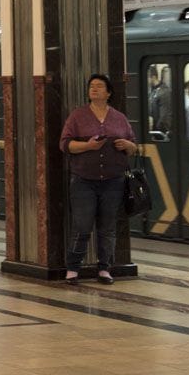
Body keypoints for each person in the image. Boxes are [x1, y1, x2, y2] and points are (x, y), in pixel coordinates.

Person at [60, 74, 138, 286]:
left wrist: (127, 145)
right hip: (83, 180)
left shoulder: (119, 118)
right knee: (82, 226)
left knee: (107, 227)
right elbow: (65, 144)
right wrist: (88, 146)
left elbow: (133, 145)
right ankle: (73, 269)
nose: (94, 89)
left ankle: (105, 268)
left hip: (113, 180)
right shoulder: (77, 116)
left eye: (99, 86)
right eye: (91, 86)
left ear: (108, 92)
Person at [147, 65, 172, 136]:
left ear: (153, 77)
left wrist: (156, 130)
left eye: (147, 78)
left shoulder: (164, 92)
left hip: (161, 134)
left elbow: (164, 117)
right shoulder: (153, 91)